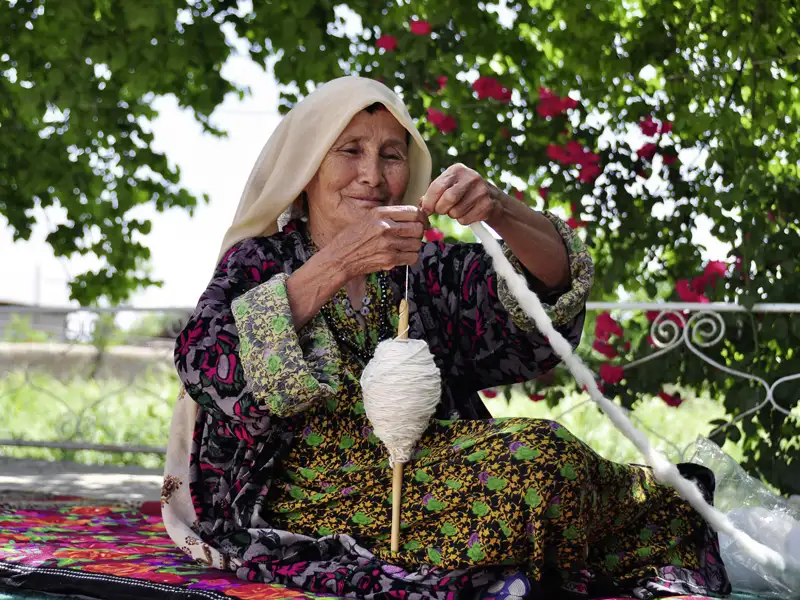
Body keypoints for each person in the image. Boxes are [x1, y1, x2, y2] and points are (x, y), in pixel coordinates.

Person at [162, 76, 730, 599]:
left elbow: (541, 302)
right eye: (350, 150)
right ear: (308, 167)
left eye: (391, 155)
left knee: (558, 462)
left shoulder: (423, 268)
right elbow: (209, 367)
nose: (372, 174)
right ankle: (515, 561)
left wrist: (503, 211)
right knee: (537, 470)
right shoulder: (260, 261)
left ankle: (531, 555)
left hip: (434, 467)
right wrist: (335, 265)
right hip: (301, 491)